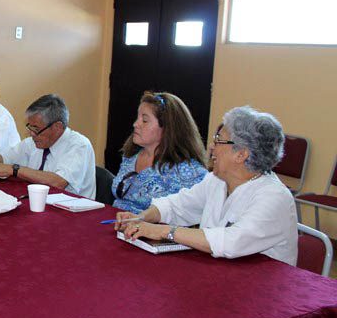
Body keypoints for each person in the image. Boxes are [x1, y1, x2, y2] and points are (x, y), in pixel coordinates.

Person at [115, 106, 298, 266]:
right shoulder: (216, 180)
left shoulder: (275, 197)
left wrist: (163, 231)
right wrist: (142, 218)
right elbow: (178, 204)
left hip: (263, 291)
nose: (211, 147)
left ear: (241, 154)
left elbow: (231, 242)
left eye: (219, 140)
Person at [0, 94, 96, 198]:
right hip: (40, 203)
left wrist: (14, 169)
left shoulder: (79, 145)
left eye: (36, 129)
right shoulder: (33, 141)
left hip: (73, 213)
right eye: (30, 127)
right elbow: (5, 159)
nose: (31, 133)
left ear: (57, 127)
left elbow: (58, 182)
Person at [111, 92, 208, 214]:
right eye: (138, 118)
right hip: (115, 222)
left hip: (152, 230)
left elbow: (197, 210)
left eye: (145, 120)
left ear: (167, 128)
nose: (135, 124)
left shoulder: (188, 171)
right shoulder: (130, 156)